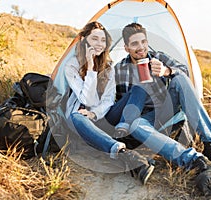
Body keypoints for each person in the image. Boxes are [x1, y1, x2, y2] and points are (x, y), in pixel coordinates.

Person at [107, 22, 211, 195]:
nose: (141, 47)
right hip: (145, 120)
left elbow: (186, 76)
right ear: (126, 47)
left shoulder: (158, 57)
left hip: (168, 110)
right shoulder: (119, 69)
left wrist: (167, 71)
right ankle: (196, 162)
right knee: (136, 124)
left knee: (180, 79)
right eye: (135, 44)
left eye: (143, 42)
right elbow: (116, 102)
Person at [61, 21, 154, 185]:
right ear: (85, 40)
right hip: (81, 120)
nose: (99, 44)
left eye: (103, 40)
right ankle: (127, 155)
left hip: (102, 117)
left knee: (139, 88)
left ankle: (119, 133)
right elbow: (85, 100)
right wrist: (90, 68)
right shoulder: (72, 65)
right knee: (77, 116)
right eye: (94, 39)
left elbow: (109, 99)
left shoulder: (109, 68)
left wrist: (95, 113)